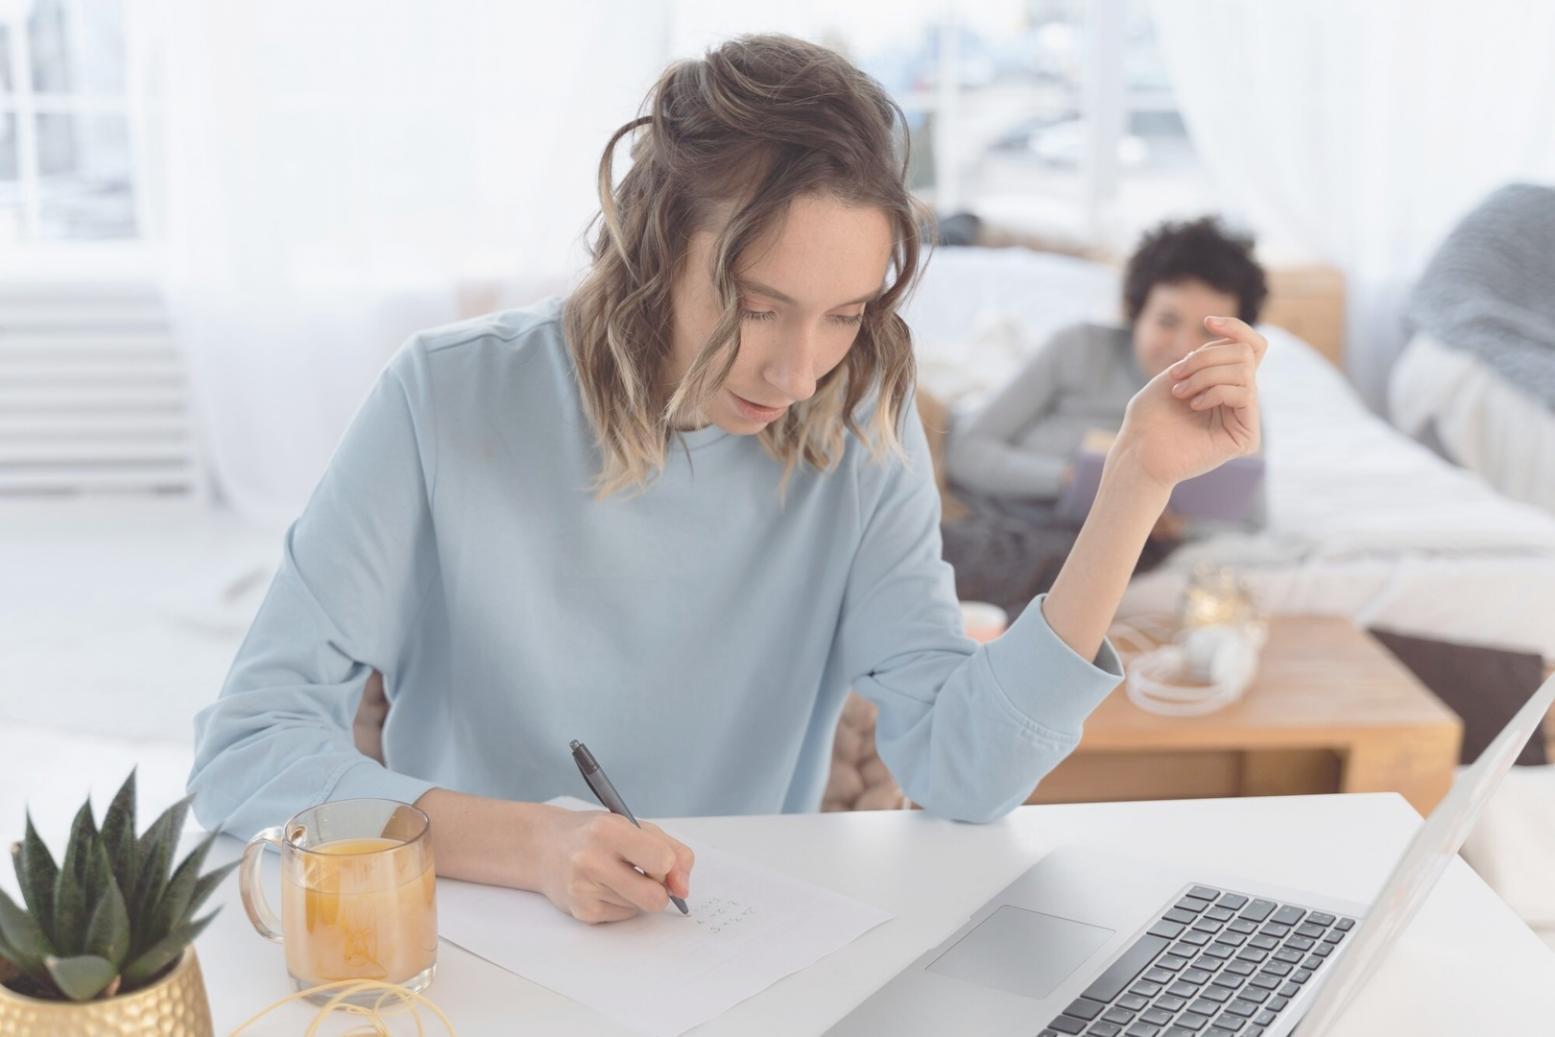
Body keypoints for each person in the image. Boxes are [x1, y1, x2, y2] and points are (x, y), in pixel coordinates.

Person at [187, 37, 1267, 926]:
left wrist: (1132, 481)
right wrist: (537, 841)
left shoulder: (858, 425)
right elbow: (249, 747)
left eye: (844, 316)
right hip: (467, 922)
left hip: (734, 938)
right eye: (758, 304)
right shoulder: (444, 396)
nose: (797, 371)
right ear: (654, 245)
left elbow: (963, 767)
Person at [942, 217, 1270, 617]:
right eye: (1167, 321)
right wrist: (1068, 478)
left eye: (1208, 334)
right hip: (993, 509)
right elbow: (967, 451)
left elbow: (1250, 519)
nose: (1185, 348)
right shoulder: (1077, 349)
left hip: (1098, 537)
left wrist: (1173, 522)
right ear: (1136, 310)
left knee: (1079, 557)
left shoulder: (1230, 401)